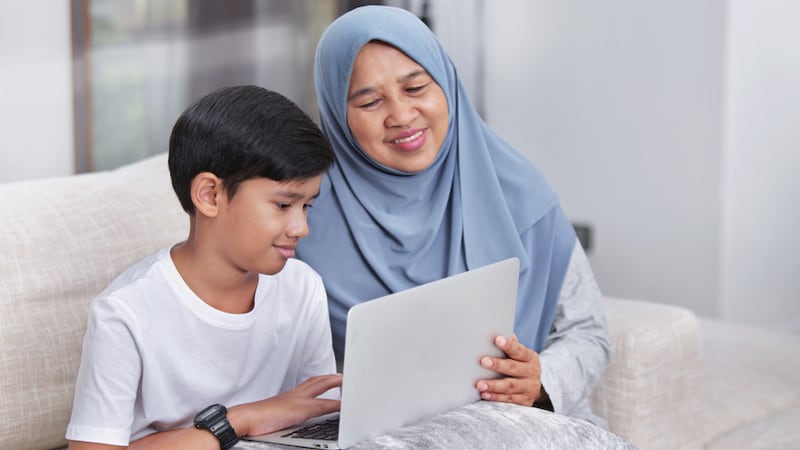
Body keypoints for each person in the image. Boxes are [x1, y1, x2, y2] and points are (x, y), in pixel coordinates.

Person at [295, 5, 611, 425]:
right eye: (370, 101)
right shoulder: (301, 220)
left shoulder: (518, 191)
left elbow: (588, 332)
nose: (402, 116)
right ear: (338, 114)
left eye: (416, 88)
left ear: (446, 83)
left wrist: (542, 378)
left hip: (523, 427)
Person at [66, 85, 342, 449]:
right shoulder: (125, 313)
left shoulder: (302, 286)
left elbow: (320, 412)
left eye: (306, 207)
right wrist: (239, 420)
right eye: (283, 205)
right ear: (210, 195)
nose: (301, 228)